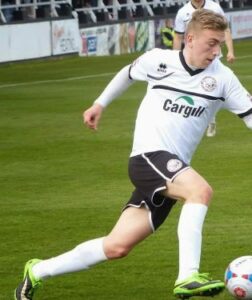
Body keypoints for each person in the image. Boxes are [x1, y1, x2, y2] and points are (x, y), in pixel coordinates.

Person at [14, 9, 252, 300]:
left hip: (171, 171)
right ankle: (187, 275)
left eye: (219, 44)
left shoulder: (223, 79)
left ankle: (37, 271)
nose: (217, 50)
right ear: (189, 38)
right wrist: (99, 104)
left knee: (116, 246)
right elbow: (127, 73)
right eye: (211, 43)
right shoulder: (159, 60)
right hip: (148, 157)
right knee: (200, 192)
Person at [172, 0, 236, 137]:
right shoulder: (183, 12)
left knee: (210, 87)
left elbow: (226, 30)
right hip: (192, 57)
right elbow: (178, 37)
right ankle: (203, 120)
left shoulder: (215, 7)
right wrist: (174, 57)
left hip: (213, 57)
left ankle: (209, 119)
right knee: (192, 90)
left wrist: (230, 51)